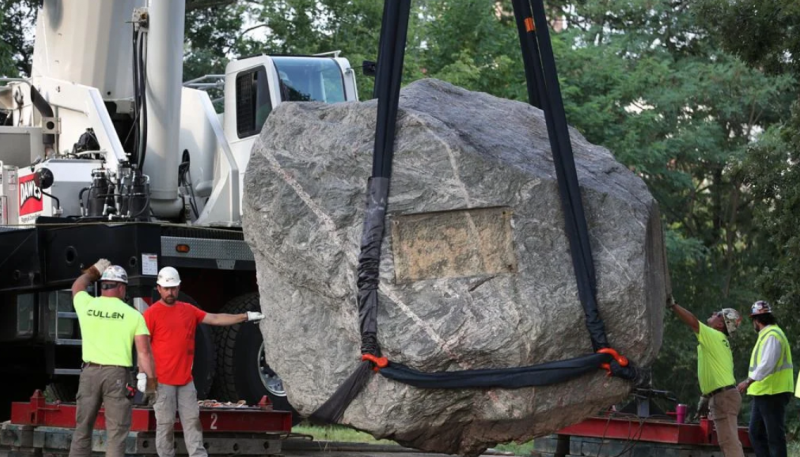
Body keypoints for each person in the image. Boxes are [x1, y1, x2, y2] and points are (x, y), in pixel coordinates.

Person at [143, 267, 265, 457]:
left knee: (192, 423)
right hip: (163, 382)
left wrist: (245, 316)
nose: (170, 292)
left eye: (173, 288)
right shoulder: (151, 314)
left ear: (179, 287)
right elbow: (143, 349)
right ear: (158, 288)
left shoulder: (188, 310)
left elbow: (215, 318)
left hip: (185, 382)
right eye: (166, 288)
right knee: (165, 427)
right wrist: (146, 376)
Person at [68, 259, 156, 457]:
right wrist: (151, 386)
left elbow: (78, 285)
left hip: (89, 373)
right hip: (117, 376)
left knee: (82, 430)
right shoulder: (133, 315)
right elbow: (144, 353)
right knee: (116, 434)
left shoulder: (87, 305)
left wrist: (94, 271)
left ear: (103, 285)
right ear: (122, 288)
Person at [668, 298, 744, 457]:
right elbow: (717, 372)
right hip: (723, 396)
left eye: (718, 314)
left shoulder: (714, 336)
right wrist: (706, 396)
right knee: (728, 443)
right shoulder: (719, 341)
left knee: (729, 444)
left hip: (723, 397)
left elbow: (694, 323)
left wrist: (673, 305)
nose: (714, 313)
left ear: (720, 325)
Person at [736, 300, 793, 457]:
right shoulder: (768, 335)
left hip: (773, 393)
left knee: (774, 437)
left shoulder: (772, 336)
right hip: (763, 393)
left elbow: (767, 364)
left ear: (756, 320)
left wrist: (747, 382)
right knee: (755, 433)